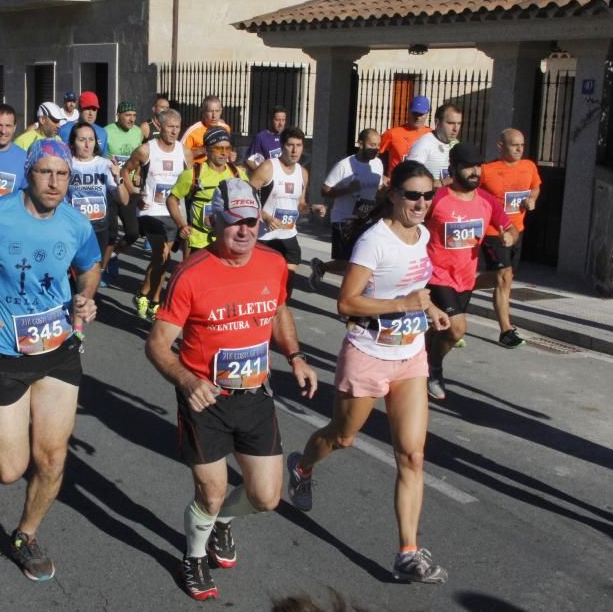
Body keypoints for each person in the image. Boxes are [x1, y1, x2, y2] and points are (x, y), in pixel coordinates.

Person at [146, 178, 319, 601]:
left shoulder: (273, 263)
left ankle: (223, 521)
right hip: (205, 397)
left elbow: (278, 310)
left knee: (266, 497)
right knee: (211, 491)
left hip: (255, 394)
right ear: (214, 222)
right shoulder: (191, 275)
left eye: (251, 221)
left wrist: (295, 355)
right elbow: (155, 344)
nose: (244, 230)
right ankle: (194, 555)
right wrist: (187, 381)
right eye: (233, 223)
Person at [0, 138, 101, 583]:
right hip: (6, 353)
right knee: (9, 468)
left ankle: (24, 535)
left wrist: (85, 297)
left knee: (51, 457)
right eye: (46, 172)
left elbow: (91, 265)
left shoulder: (75, 222)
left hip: (59, 350)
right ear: (29, 174)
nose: (54, 182)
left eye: (63, 174)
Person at [287, 160, 451, 585]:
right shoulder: (374, 242)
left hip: (411, 355)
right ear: (393, 195)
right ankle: (303, 467)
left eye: (427, 195)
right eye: (412, 195)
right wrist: (403, 306)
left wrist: (429, 308)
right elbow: (347, 303)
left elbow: (415, 290)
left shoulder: (424, 236)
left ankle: (408, 551)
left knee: (412, 455)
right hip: (367, 354)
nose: (420, 203)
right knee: (341, 437)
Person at [424, 143, 517, 400]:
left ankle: (422, 358)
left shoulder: (487, 201)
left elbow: (510, 228)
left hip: (465, 279)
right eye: (468, 167)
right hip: (436, 274)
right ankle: (434, 369)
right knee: (456, 329)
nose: (475, 171)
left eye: (478, 166)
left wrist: (509, 236)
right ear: (454, 168)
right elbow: (413, 224)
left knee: (440, 330)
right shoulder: (438, 198)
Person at [475, 128, 541, 349]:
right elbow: (469, 191)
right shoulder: (487, 170)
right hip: (495, 233)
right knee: (504, 277)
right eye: (514, 145)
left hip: (517, 231)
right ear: (501, 146)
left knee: (504, 278)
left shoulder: (528, 166)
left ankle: (463, 287)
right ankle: (506, 330)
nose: (519, 149)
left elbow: (535, 186)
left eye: (522, 145)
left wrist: (532, 198)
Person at [124, 107, 191, 320]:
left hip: (175, 212)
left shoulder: (184, 152)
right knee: (161, 253)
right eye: (170, 127)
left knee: (164, 259)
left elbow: (190, 181)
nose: (174, 131)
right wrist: (135, 194)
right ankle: (150, 297)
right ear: (160, 127)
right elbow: (126, 170)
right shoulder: (146, 150)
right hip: (150, 211)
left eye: (178, 127)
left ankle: (151, 298)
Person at [309, 128, 385, 290]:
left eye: (378, 145)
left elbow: (376, 190)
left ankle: (356, 297)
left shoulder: (377, 164)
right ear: (360, 144)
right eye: (372, 145)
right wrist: (348, 189)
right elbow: (325, 190)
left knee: (364, 262)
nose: (376, 149)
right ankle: (322, 268)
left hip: (366, 219)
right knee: (346, 263)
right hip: (344, 219)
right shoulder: (344, 166)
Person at [248, 126, 315, 298]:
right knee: (262, 283)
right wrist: (266, 216)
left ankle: (281, 311)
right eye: (290, 145)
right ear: (282, 147)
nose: (294, 150)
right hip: (265, 236)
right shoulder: (268, 168)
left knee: (287, 282)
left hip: (288, 235)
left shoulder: (303, 173)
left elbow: (300, 204)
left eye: (298, 145)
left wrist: (312, 209)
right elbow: (246, 198)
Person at [167, 126, 246, 256]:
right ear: (207, 150)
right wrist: (181, 225)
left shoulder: (238, 174)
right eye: (218, 148)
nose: (223, 153)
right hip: (199, 240)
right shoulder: (192, 174)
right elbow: (171, 199)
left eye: (227, 148)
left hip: (227, 240)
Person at [67, 121, 128, 256]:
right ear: (72, 143)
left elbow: (124, 200)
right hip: (73, 228)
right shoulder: (66, 165)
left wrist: (119, 179)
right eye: (82, 140)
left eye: (91, 139)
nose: (87, 145)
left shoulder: (105, 165)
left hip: (99, 228)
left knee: (93, 271)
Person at [101, 101, 143, 285]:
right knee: (110, 233)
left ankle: (114, 255)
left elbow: (141, 158)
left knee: (133, 233)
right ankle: (101, 269)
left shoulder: (138, 132)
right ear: (118, 115)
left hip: (129, 188)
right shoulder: (107, 131)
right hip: (111, 188)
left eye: (134, 115)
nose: (131, 119)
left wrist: (138, 175)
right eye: (128, 115)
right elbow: (100, 158)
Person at [406, 103, 462, 185]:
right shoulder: (424, 143)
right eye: (450, 123)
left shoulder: (457, 145)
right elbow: (408, 176)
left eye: (459, 123)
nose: (455, 129)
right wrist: (440, 183)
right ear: (437, 122)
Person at [181, 95, 231, 168]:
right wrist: (200, 151)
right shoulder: (193, 131)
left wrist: (229, 154)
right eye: (210, 111)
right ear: (203, 112)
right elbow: (179, 156)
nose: (214, 115)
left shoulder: (226, 128)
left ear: (221, 111)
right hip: (198, 173)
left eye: (217, 111)